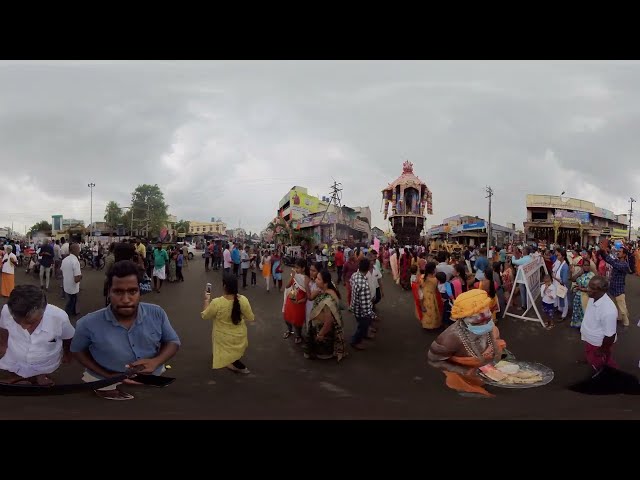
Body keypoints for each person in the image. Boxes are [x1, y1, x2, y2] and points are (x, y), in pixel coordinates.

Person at [71, 260, 181, 400]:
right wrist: (107, 375)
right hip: (105, 379)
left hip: (152, 377)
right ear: (108, 292)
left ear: (140, 291)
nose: (126, 299)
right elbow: (77, 351)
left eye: (132, 291)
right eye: (118, 292)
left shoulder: (157, 313)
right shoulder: (87, 323)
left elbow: (172, 341)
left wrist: (156, 362)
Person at [427, 289, 507, 397]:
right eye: (478, 322)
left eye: (488, 319)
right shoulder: (448, 339)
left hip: (486, 370)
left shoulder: (491, 327)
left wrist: (495, 351)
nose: (485, 324)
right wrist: (464, 370)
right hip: (463, 377)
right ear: (463, 319)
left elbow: (495, 340)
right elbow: (434, 360)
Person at [0, 285, 75, 385]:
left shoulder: (59, 317)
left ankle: (41, 375)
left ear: (43, 311)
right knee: (13, 368)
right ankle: (18, 376)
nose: (24, 327)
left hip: (45, 361)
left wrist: (67, 354)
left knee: (43, 369)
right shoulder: (6, 310)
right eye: (17, 321)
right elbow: (3, 328)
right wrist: (3, 346)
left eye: (31, 322)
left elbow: (68, 338)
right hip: (15, 358)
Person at [201, 272, 255, 374]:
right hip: (240, 336)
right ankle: (234, 362)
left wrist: (207, 299)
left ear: (224, 285)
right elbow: (251, 317)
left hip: (222, 337)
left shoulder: (217, 302)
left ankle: (234, 365)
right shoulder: (243, 300)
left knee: (225, 356)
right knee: (230, 354)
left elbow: (205, 315)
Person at [304, 270, 347, 361]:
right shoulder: (322, 290)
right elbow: (311, 297)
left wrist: (320, 334)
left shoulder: (328, 299)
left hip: (324, 330)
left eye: (319, 279)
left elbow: (329, 321)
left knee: (322, 354)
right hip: (319, 326)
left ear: (325, 282)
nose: (316, 280)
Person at [580, 275, 618, 370]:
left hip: (598, 344)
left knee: (601, 363)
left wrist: (602, 350)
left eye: (591, 288)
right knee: (592, 357)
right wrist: (584, 289)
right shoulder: (594, 296)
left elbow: (610, 335)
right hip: (590, 339)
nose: (588, 289)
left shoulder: (608, 311)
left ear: (600, 290)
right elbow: (589, 290)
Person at [598, 240, 631, 328]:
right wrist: (602, 251)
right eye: (618, 251)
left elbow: (612, 262)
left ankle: (626, 324)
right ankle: (619, 319)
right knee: (616, 307)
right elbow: (608, 260)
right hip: (613, 288)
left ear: (624, 254)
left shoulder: (624, 265)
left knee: (623, 310)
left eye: (619, 252)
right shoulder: (617, 260)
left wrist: (604, 252)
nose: (617, 253)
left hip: (619, 290)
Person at [350, 258, 376, 350]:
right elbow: (365, 307)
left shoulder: (355, 275)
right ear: (368, 268)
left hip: (355, 306)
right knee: (362, 326)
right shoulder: (364, 285)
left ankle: (364, 335)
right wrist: (372, 315)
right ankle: (355, 341)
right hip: (361, 311)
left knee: (363, 325)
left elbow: (351, 284)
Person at [283, 259, 308, 344]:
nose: (295, 270)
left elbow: (308, 296)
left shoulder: (306, 279)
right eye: (295, 267)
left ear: (303, 268)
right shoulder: (295, 276)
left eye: (297, 268)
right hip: (291, 300)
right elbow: (287, 286)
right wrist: (292, 277)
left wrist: (300, 301)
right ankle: (290, 331)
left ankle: (298, 335)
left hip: (299, 303)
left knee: (297, 321)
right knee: (287, 318)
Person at [571, 259, 595, 329]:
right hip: (577, 297)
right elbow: (572, 279)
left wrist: (582, 289)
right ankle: (579, 326)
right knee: (577, 312)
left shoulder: (592, 275)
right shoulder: (580, 273)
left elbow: (593, 289)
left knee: (585, 313)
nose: (586, 267)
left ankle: (586, 328)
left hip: (586, 297)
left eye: (588, 265)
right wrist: (579, 273)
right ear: (582, 266)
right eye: (585, 265)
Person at [60, 243, 82, 317]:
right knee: (71, 301)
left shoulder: (65, 260)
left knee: (73, 299)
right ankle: (66, 315)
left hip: (66, 284)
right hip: (73, 286)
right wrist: (81, 276)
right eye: (78, 249)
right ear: (74, 250)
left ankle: (73, 312)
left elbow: (62, 270)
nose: (79, 250)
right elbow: (76, 279)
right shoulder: (75, 261)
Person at [419, 262, 441, 330]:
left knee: (426, 311)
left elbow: (420, 288)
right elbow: (437, 289)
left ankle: (426, 325)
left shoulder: (422, 277)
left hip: (425, 296)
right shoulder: (435, 279)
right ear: (433, 270)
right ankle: (434, 324)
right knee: (433, 310)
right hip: (433, 296)